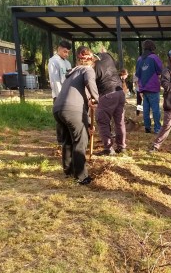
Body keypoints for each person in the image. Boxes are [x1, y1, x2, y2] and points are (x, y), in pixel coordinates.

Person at [53, 46, 99, 185]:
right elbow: (90, 83)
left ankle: (68, 171)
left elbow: (82, 105)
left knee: (67, 140)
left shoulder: (72, 73)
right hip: (72, 110)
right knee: (80, 141)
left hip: (58, 109)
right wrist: (96, 98)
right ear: (91, 62)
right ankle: (81, 176)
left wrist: (89, 123)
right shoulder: (88, 70)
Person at [94, 50, 126, 155]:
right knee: (119, 121)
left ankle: (108, 149)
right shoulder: (108, 56)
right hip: (119, 92)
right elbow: (117, 66)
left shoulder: (94, 65)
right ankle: (122, 146)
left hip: (107, 93)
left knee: (102, 120)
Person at [136, 40, 163, 133]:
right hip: (153, 87)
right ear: (152, 47)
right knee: (155, 109)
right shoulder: (154, 57)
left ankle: (147, 128)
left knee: (146, 109)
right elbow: (160, 70)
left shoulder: (139, 59)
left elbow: (138, 74)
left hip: (143, 87)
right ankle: (157, 128)